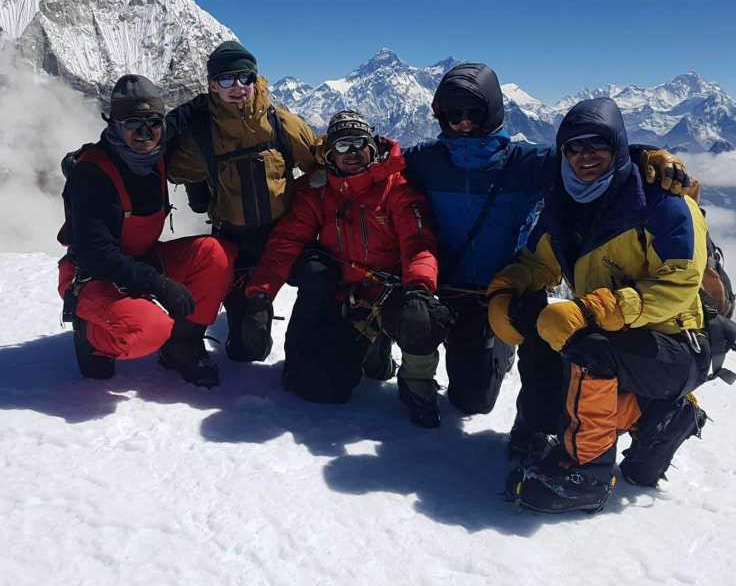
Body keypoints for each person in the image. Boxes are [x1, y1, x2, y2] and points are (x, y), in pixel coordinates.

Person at [404, 63, 689, 421]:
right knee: (459, 384)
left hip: (506, 287)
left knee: (496, 384)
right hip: (448, 287)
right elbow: (373, 166)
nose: (463, 123)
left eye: (473, 113)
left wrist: (647, 155)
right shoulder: (424, 160)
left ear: (491, 112)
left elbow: (591, 158)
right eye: (452, 114)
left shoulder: (525, 162)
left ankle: (512, 366)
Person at [486, 97, 710, 513]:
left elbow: (680, 283)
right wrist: (505, 292)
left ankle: (585, 472)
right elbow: (538, 263)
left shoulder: (665, 203)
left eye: (597, 145)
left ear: (619, 148)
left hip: (674, 344)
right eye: (574, 147)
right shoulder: (567, 206)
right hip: (619, 334)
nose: (585, 156)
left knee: (587, 344)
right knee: (539, 322)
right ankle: (637, 418)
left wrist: (593, 311)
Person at [244, 110, 450, 427]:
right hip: (348, 298)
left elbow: (417, 242)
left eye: (358, 143)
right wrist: (261, 293)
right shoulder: (318, 193)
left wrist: (420, 288)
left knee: (421, 319)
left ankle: (417, 387)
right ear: (329, 154)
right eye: (342, 146)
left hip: (394, 292)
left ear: (372, 146)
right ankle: (373, 352)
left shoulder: (397, 187)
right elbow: (285, 243)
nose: (352, 153)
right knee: (322, 388)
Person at [57, 75, 236, 386]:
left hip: (141, 260)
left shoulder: (156, 150)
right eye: (132, 123)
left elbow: (183, 115)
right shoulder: (92, 175)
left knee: (214, 255)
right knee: (149, 330)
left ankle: (182, 346)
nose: (144, 133)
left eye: (153, 122)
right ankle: (90, 335)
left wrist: (221, 89)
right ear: (113, 123)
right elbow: (96, 254)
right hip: (93, 276)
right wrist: (160, 285)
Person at [166, 41, 318, 363]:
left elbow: (323, 161)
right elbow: (159, 163)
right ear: (211, 86)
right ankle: (250, 316)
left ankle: (311, 352)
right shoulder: (202, 137)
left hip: (285, 238)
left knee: (321, 278)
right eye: (226, 79)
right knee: (248, 350)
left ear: (255, 79)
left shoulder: (281, 124)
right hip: (238, 246)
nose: (237, 87)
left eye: (245, 77)